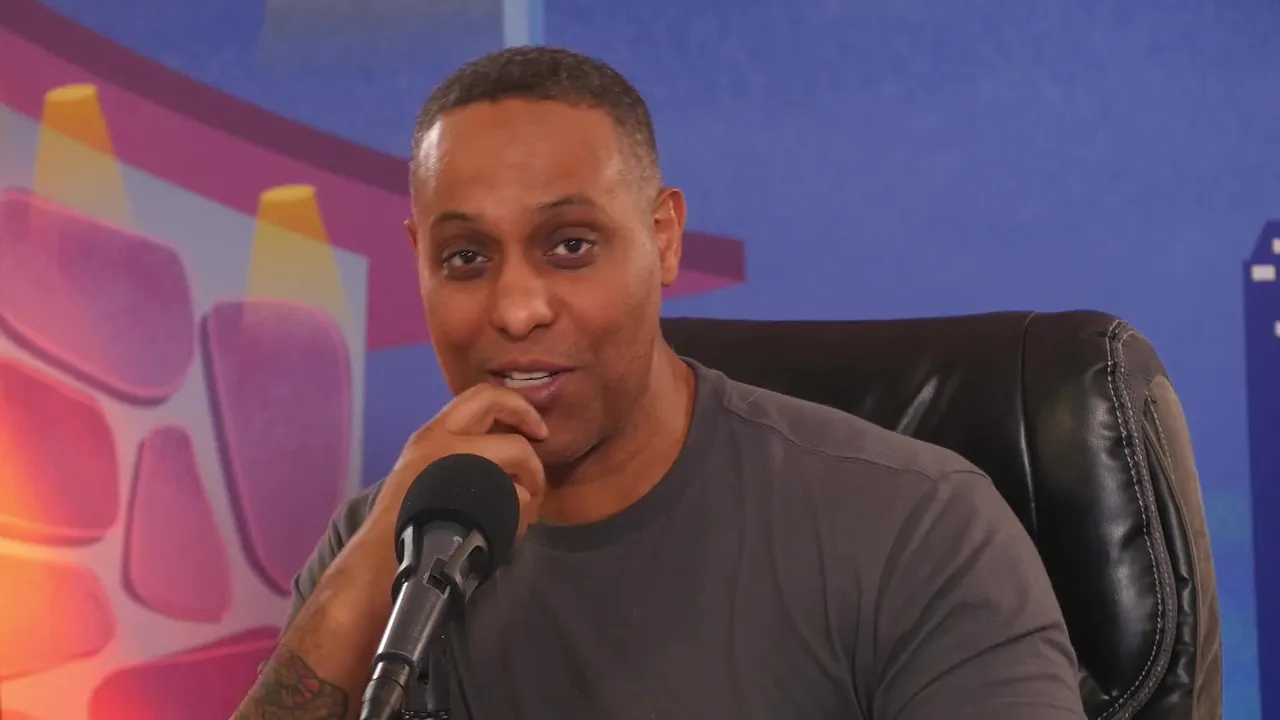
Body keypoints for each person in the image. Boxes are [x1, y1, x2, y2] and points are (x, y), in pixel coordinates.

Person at [232, 46, 1085, 720]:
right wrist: (371, 566)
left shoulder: (915, 531)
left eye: (570, 245)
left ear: (664, 238)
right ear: (417, 260)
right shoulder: (383, 541)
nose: (517, 309)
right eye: (465, 258)